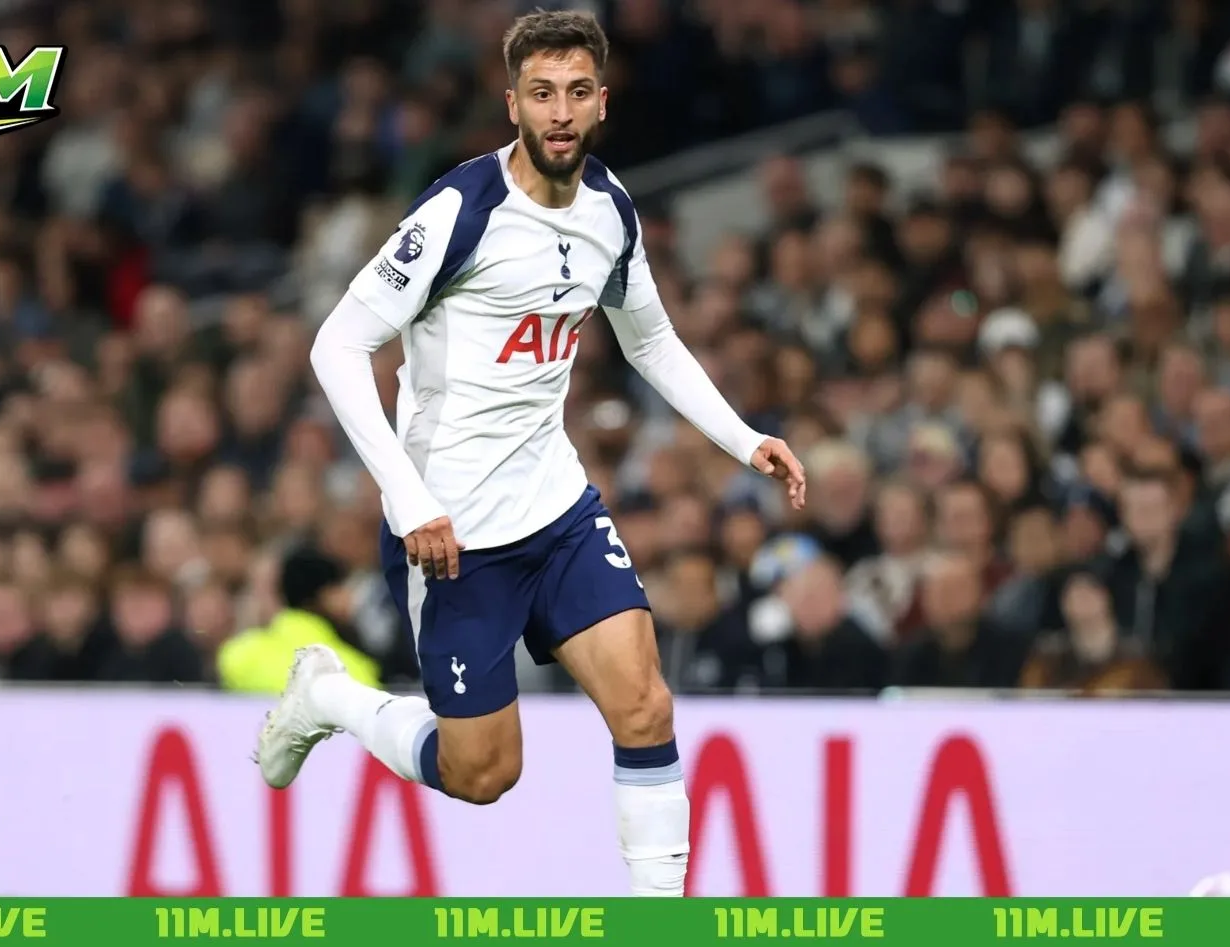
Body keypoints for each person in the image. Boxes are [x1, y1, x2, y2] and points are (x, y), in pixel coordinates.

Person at [256, 10, 805, 898]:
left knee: (645, 704)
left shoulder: (609, 210)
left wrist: (746, 439)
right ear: (512, 103)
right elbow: (337, 346)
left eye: (577, 92)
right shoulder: (460, 211)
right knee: (483, 772)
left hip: (556, 510)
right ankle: (329, 697)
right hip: (453, 531)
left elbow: (651, 339)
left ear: (601, 103)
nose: (560, 111)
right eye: (541, 93)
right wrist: (408, 499)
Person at [218, 547, 381, 694]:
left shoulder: (237, 655)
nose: (349, 598)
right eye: (341, 589)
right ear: (325, 595)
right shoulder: (357, 672)